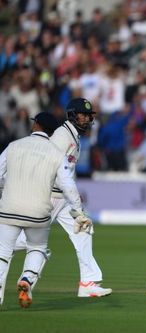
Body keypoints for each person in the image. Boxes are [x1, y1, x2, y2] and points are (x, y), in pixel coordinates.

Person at [15, 98, 112, 297]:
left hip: (62, 199)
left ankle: (87, 283)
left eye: (88, 116)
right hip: (49, 196)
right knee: (24, 240)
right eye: (83, 115)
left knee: (84, 229)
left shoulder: (74, 136)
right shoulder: (61, 135)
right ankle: (20, 267)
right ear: (72, 115)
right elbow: (47, 163)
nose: (86, 119)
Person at [0, 112, 92, 308]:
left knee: (2, 254)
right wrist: (79, 211)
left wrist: (3, 191)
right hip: (39, 212)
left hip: (8, 209)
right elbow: (68, 185)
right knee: (38, 249)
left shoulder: (14, 146)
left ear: (36, 126)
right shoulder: (56, 154)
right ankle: (27, 277)